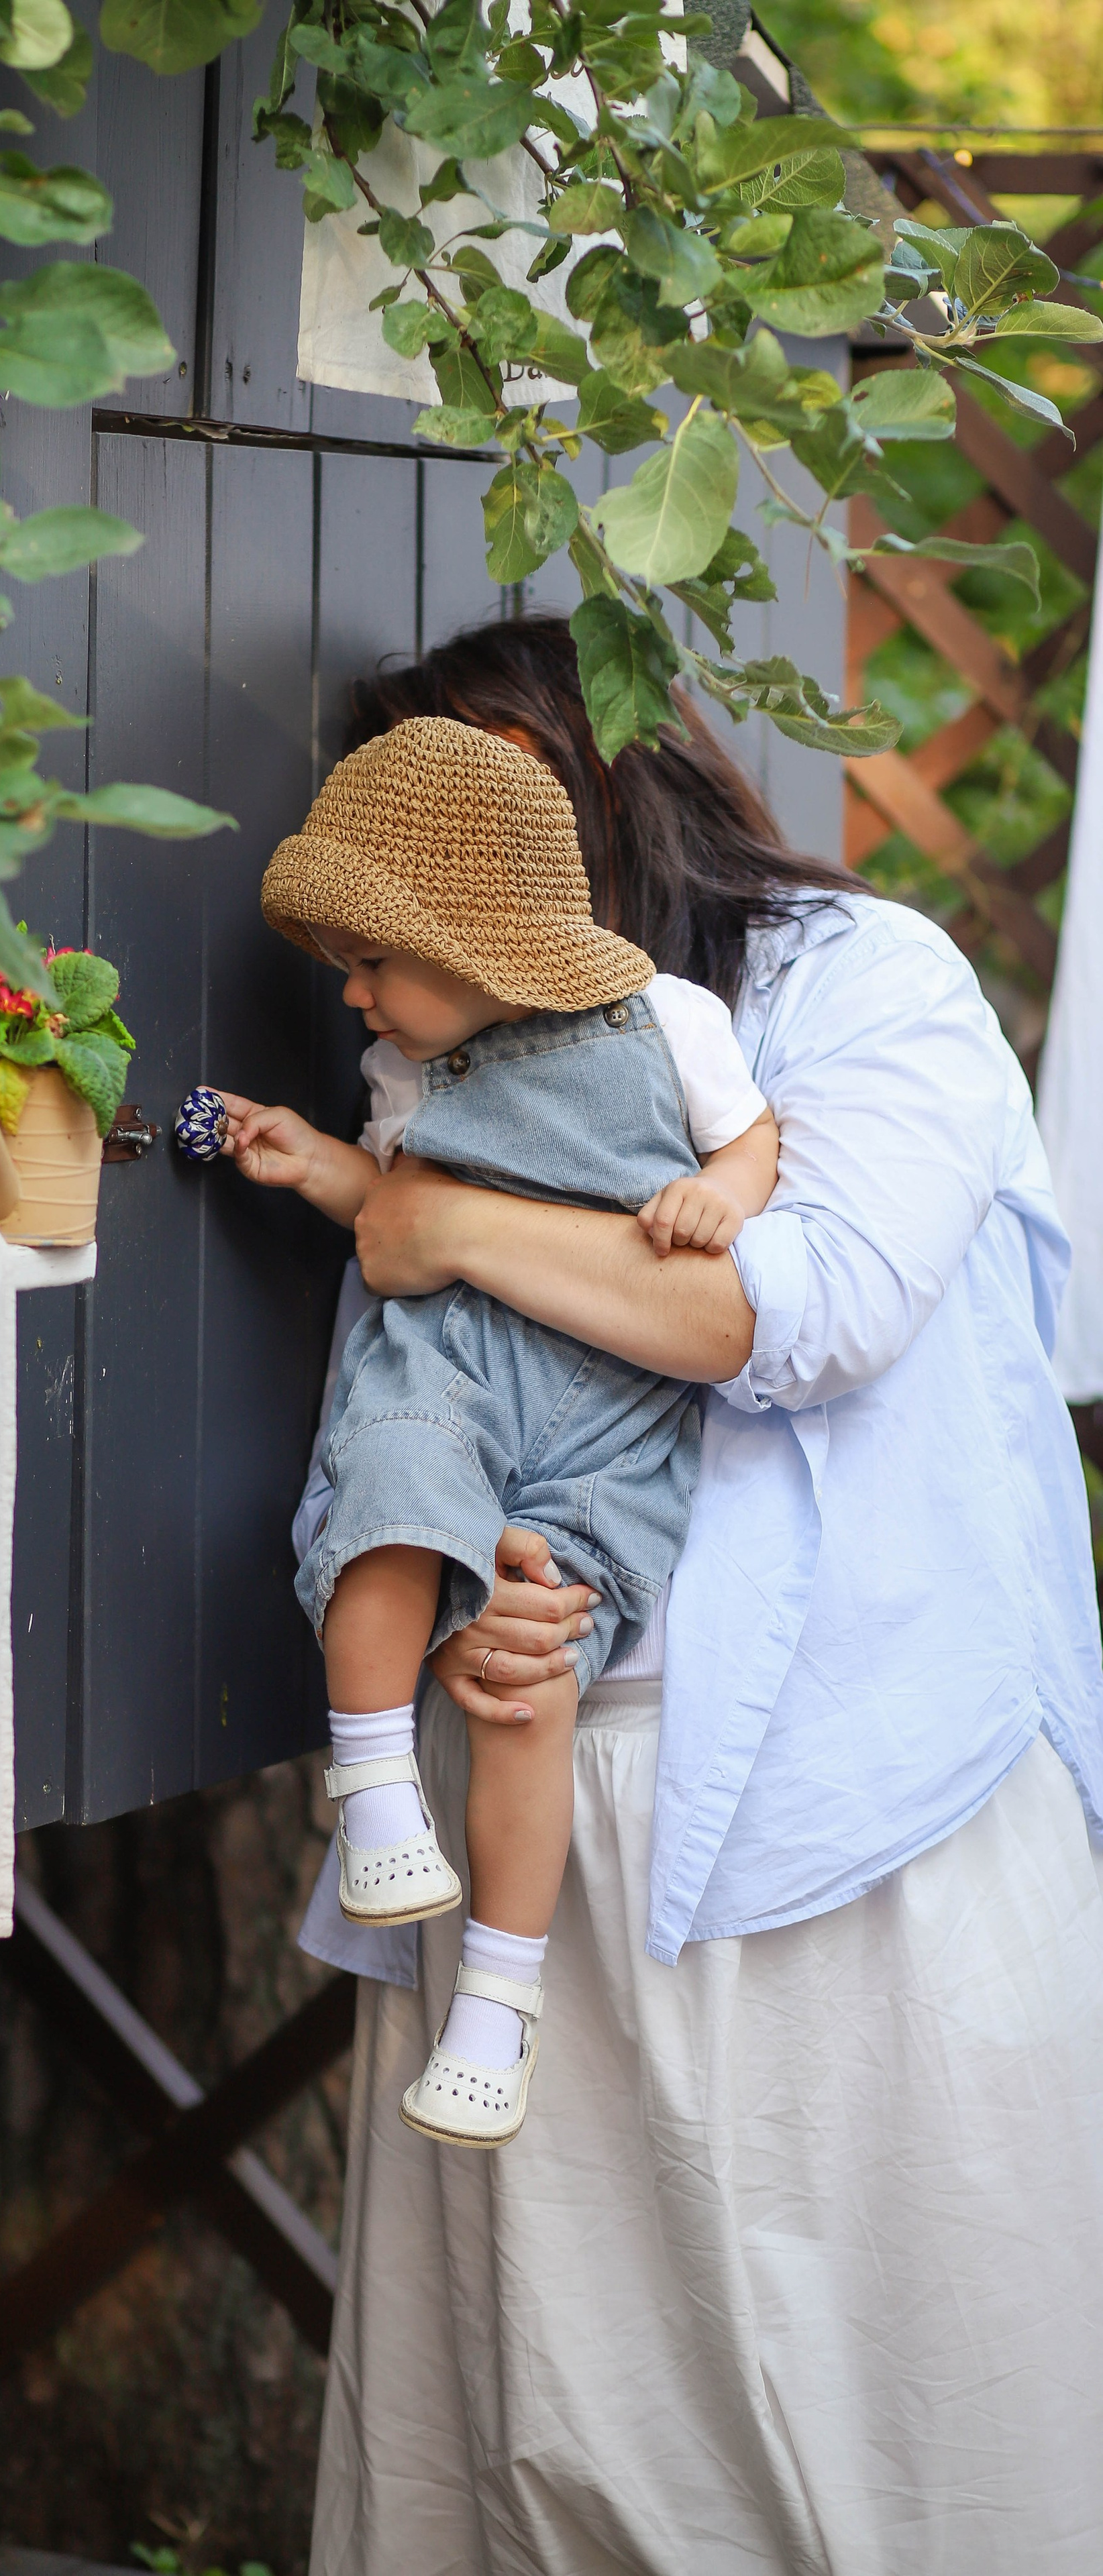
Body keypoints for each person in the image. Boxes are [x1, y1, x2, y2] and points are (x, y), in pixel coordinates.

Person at [279, 618, 1103, 2574]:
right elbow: (437, 1395)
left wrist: (450, 1221)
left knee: (890, 2407)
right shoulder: (442, 1043)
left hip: (852, 1825)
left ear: (586, 786)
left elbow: (788, 1312)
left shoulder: (857, 986)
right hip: (539, 1790)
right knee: (558, 2431)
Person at [216, 715, 778, 2147]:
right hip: (455, 1370)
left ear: (473, 938)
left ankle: (499, 2001)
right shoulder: (418, 1074)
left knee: (535, 1676)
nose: (351, 996)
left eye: (371, 961)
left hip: (613, 1417)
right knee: (386, 1511)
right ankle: (373, 1791)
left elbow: (748, 1137)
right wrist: (319, 1163)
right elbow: (399, 1210)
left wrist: (724, 1197)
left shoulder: (667, 1022)